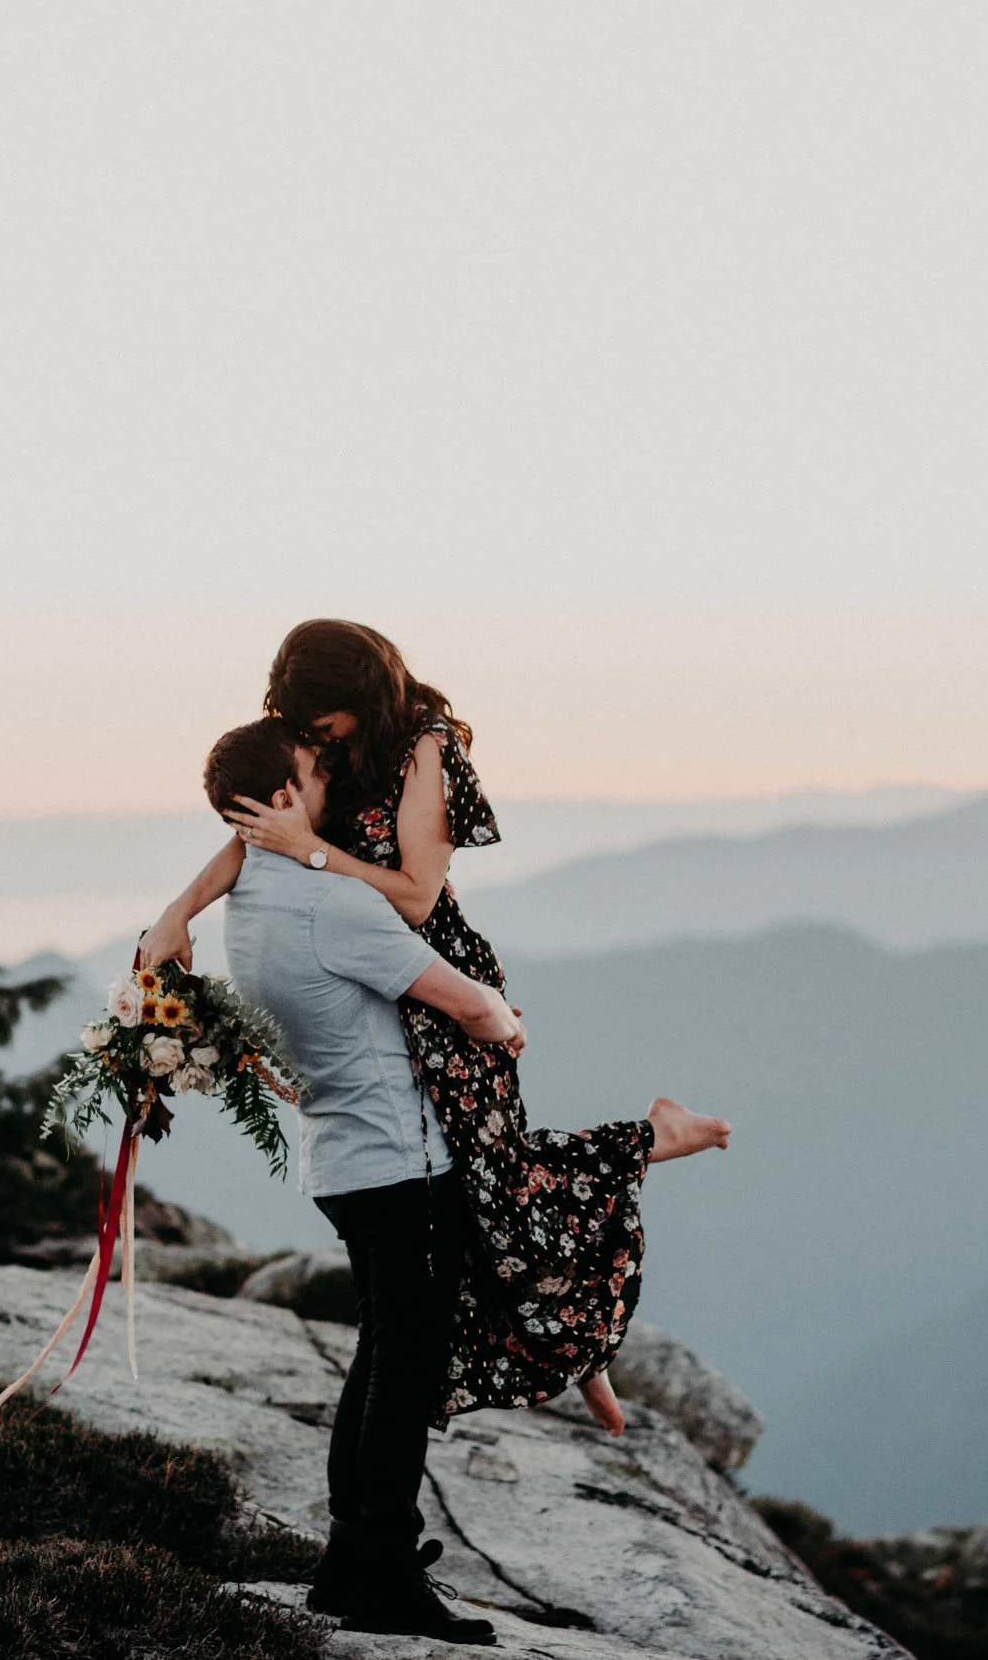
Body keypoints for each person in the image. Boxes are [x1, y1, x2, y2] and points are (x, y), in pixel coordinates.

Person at [146, 619, 730, 1439]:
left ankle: (592, 1325)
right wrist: (178, 911)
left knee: (498, 1182)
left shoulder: (425, 748)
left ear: (358, 697)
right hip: (369, 973)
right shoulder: (325, 748)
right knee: (486, 1196)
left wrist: (313, 853)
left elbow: (417, 895)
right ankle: (583, 1349)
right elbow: (255, 833)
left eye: (323, 722)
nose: (316, 737)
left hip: (427, 971)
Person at [205, 718, 512, 1643]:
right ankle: (381, 1567)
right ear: (283, 799)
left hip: (340, 1161)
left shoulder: (247, 908)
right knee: (402, 1373)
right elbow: (468, 1003)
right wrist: (508, 1022)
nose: (330, 779)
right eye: (313, 770)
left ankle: (351, 1565)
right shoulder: (328, 903)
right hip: (402, 1161)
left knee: (381, 1359)